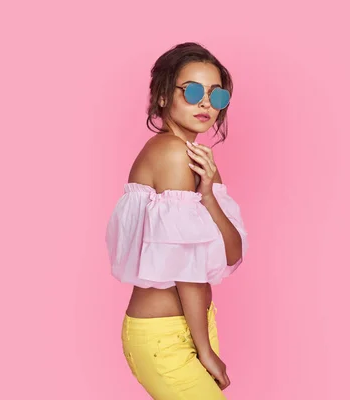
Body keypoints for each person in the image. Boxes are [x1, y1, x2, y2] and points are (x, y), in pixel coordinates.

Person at [105, 42, 249, 399]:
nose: (205, 104)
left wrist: (209, 194)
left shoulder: (197, 159)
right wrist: (204, 350)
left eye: (216, 96)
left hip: (190, 324)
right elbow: (188, 268)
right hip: (165, 335)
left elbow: (231, 254)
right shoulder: (170, 152)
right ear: (164, 96)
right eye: (194, 91)